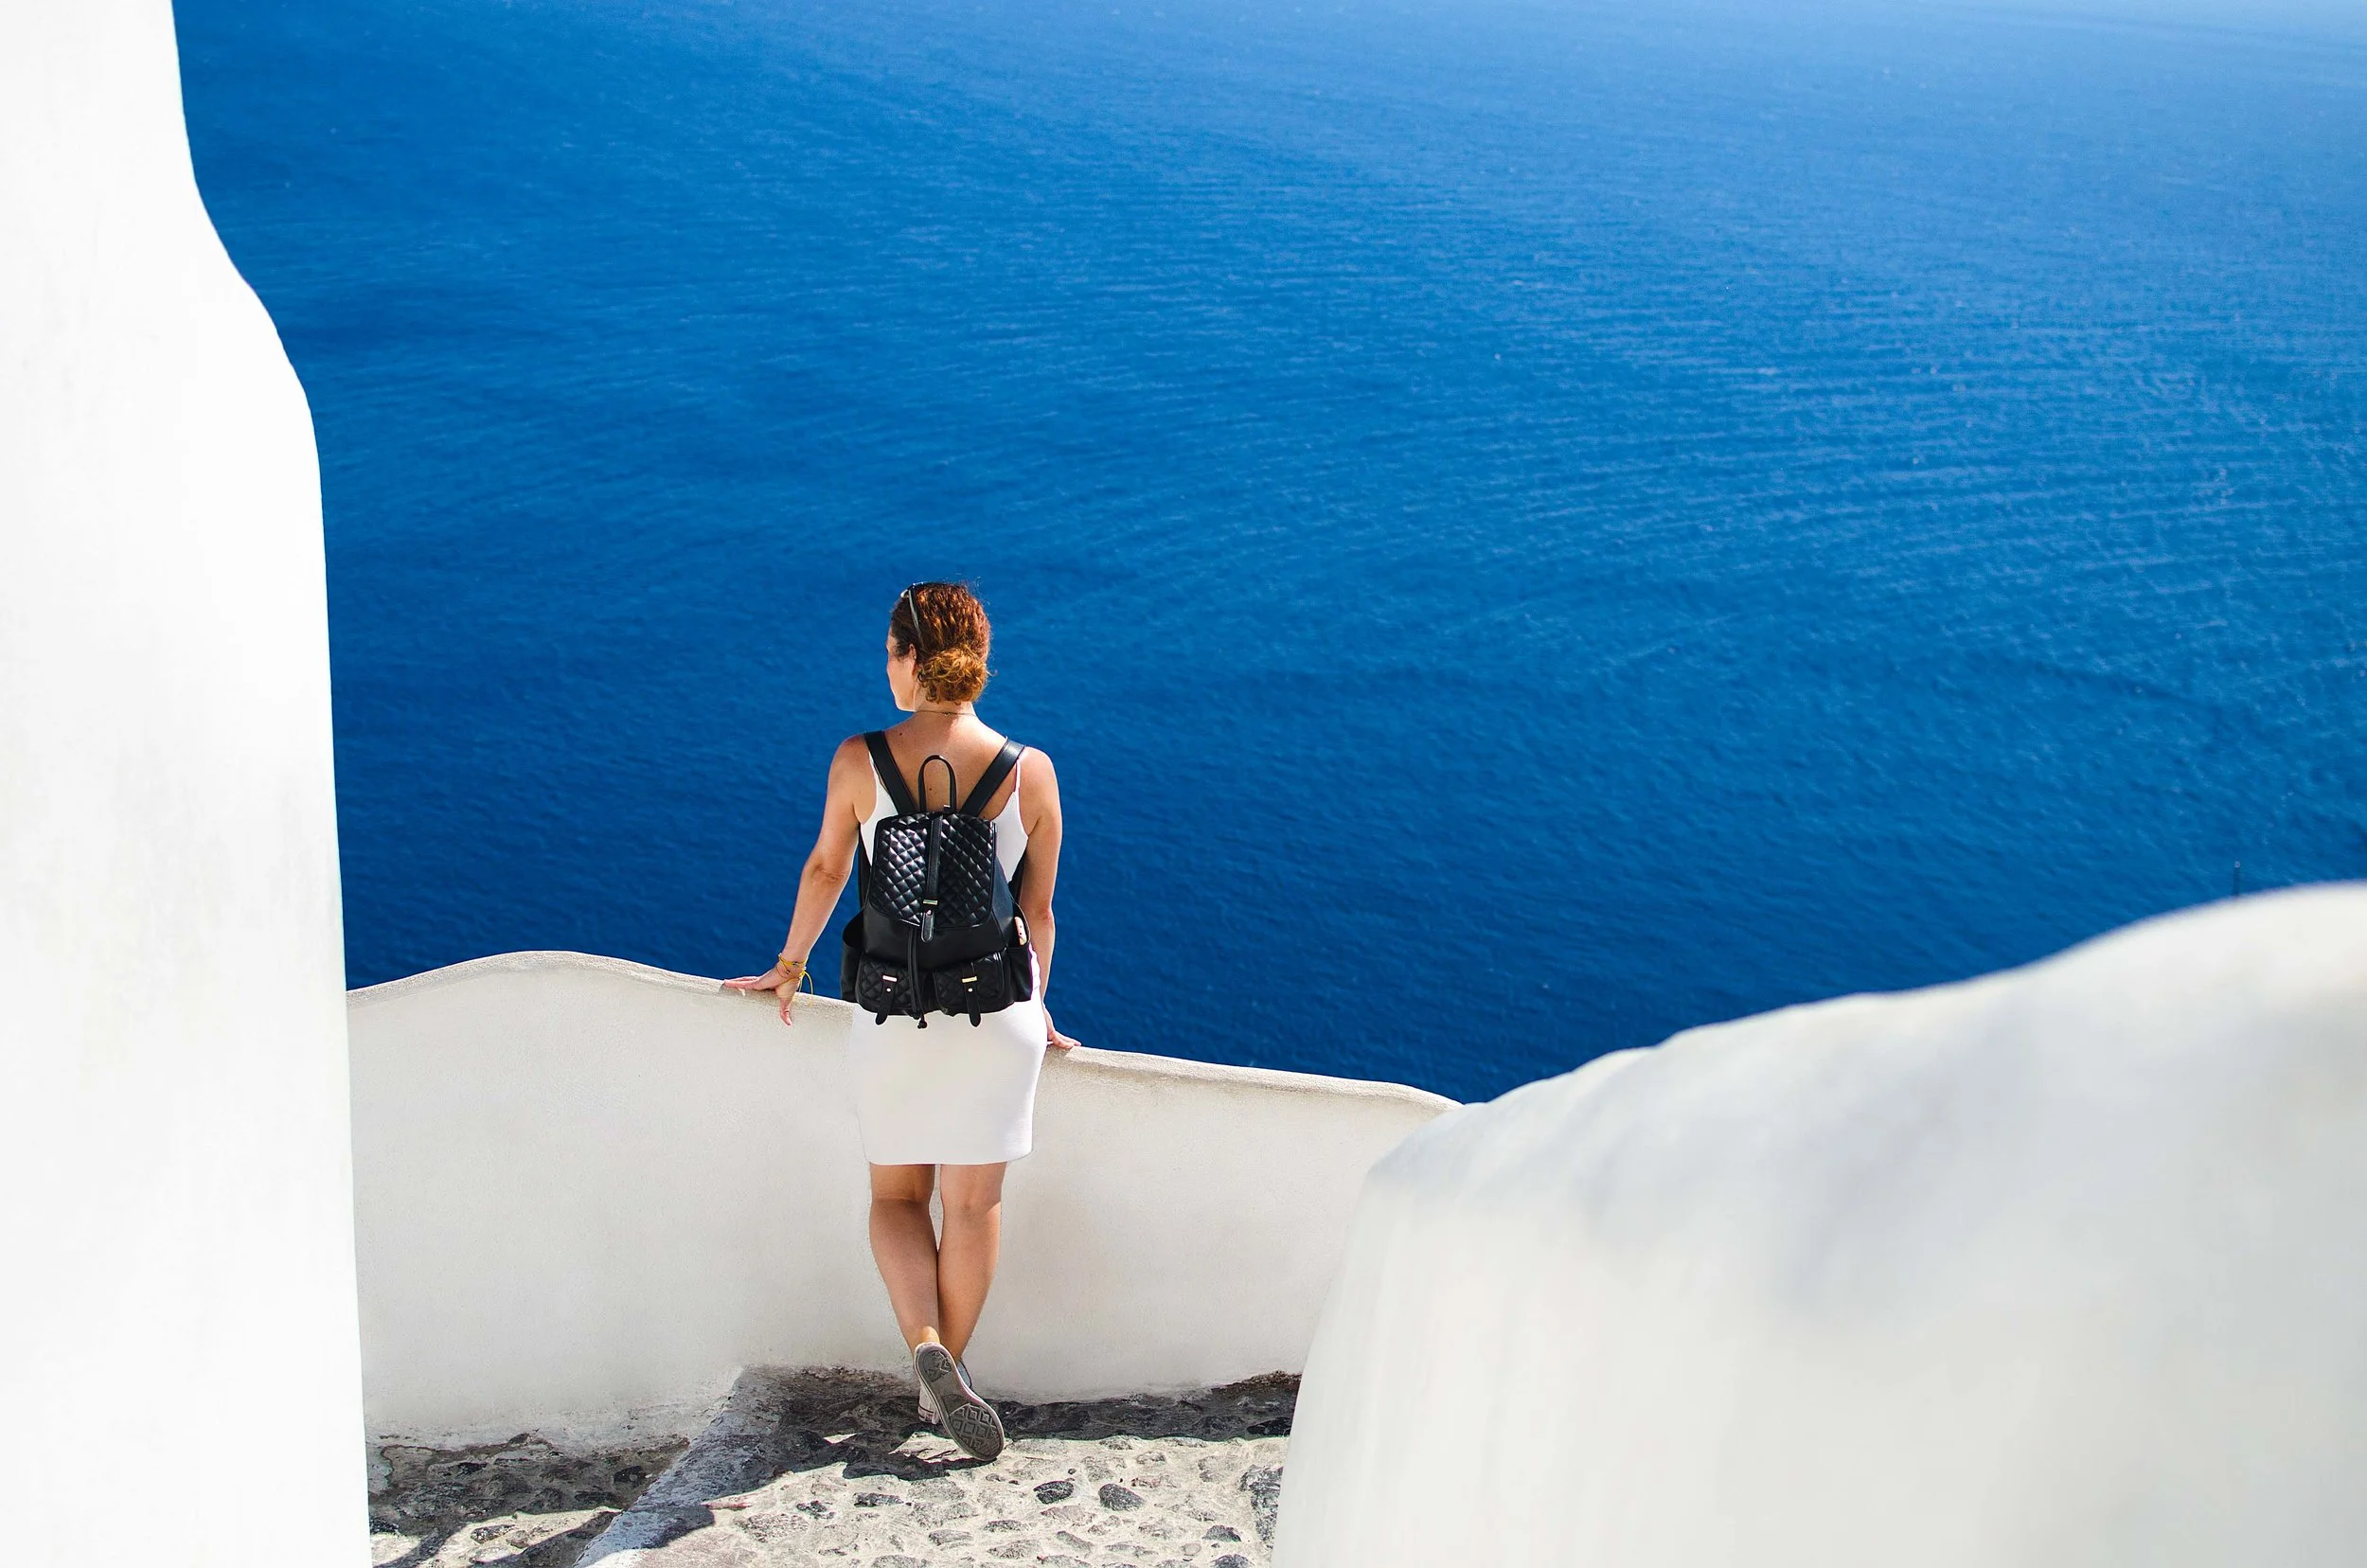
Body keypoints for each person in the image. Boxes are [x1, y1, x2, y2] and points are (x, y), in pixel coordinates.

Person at [725, 581, 1077, 1462]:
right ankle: (947, 1371)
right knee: (974, 1204)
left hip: (892, 1010)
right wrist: (1037, 1006)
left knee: (895, 1195)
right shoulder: (1029, 770)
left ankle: (922, 1342)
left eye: (889, 652)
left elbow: (823, 871)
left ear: (911, 659)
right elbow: (1038, 914)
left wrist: (790, 965)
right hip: (997, 1014)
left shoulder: (859, 758)